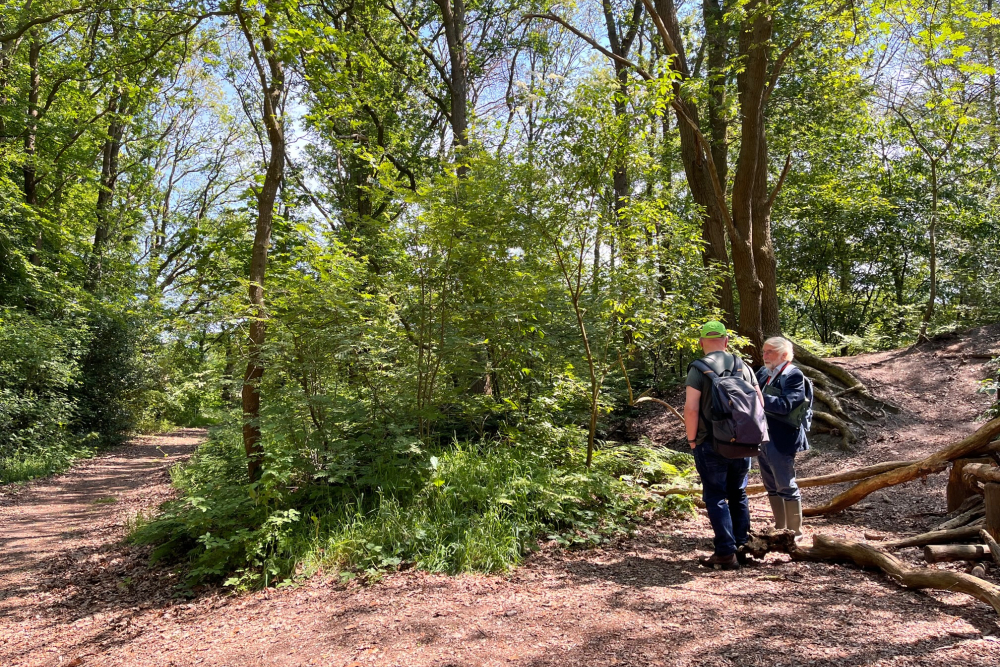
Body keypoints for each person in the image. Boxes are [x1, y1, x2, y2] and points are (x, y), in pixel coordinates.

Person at [684, 320, 765, 569]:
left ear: (701, 343)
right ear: (726, 341)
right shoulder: (744, 367)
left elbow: (691, 408)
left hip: (711, 442)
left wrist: (691, 439)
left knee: (716, 496)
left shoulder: (698, 369)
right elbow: (759, 402)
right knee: (738, 493)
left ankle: (725, 553)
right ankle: (742, 548)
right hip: (744, 442)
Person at [755, 336, 810, 536]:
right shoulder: (762, 373)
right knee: (770, 484)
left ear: (784, 355)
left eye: (770, 352)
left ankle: (795, 533)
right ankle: (780, 529)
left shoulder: (793, 375)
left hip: (782, 438)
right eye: (763, 351)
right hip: (762, 436)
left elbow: (787, 405)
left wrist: (758, 397)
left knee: (786, 484)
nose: (764, 355)